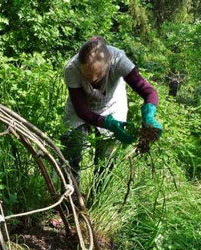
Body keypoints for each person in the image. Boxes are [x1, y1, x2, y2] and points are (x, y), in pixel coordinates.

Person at [61, 36, 163, 200]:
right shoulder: (72, 69)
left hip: (112, 105)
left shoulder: (119, 61)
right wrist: (108, 124)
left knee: (106, 159)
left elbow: (149, 92)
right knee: (73, 147)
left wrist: (149, 114)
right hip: (80, 109)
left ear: (108, 64)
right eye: (87, 75)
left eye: (98, 75)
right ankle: (70, 200)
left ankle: (97, 200)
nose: (92, 80)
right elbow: (82, 111)